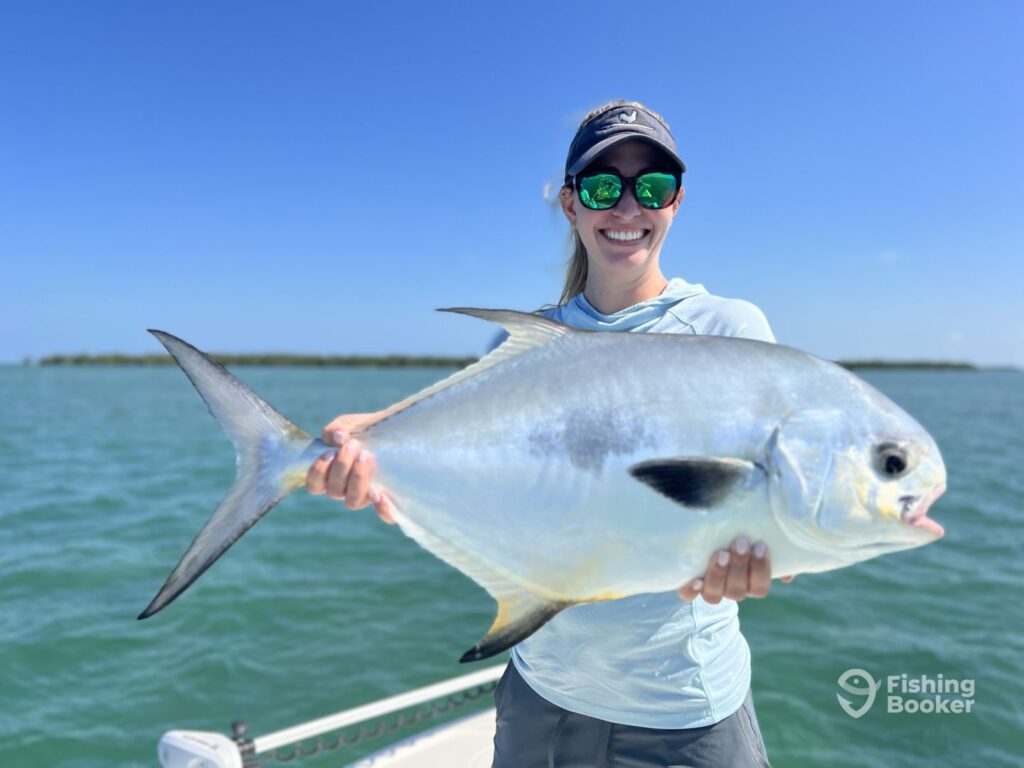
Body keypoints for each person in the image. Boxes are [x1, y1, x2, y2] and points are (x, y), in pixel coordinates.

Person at [305, 100, 788, 767]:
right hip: (541, 700)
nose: (626, 208)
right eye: (600, 187)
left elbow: (757, 503)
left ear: (676, 201)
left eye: (651, 186)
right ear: (570, 204)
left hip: (685, 713)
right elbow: (482, 467)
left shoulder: (731, 330)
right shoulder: (521, 344)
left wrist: (769, 548)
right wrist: (377, 458)